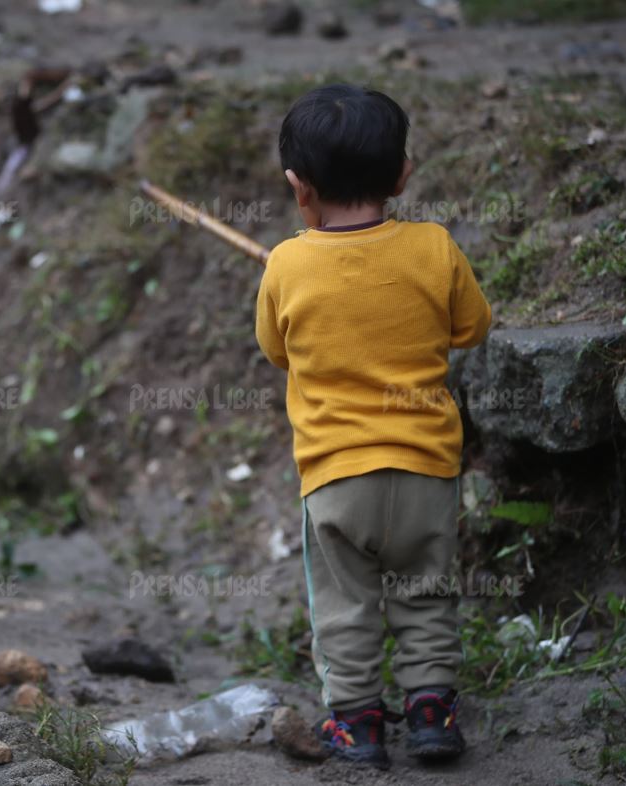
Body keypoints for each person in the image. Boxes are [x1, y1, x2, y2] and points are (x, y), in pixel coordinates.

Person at [255, 84, 492, 770]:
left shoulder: (286, 263)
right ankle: (430, 712)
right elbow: (471, 327)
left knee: (344, 603)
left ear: (300, 189)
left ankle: (357, 725)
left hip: (336, 479)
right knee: (426, 589)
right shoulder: (435, 247)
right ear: (402, 174)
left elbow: (277, 351)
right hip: (426, 469)